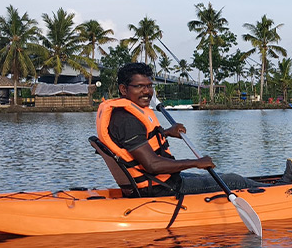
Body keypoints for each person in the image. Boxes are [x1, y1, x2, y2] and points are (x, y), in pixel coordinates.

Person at [96, 62, 275, 197]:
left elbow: (139, 142)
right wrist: (196, 162)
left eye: (149, 86)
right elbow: (153, 164)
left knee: (222, 176)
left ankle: (280, 185)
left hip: (159, 181)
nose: (147, 91)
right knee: (233, 180)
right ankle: (283, 191)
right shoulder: (126, 119)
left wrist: (166, 132)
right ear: (123, 89)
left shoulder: (123, 114)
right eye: (139, 86)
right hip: (160, 188)